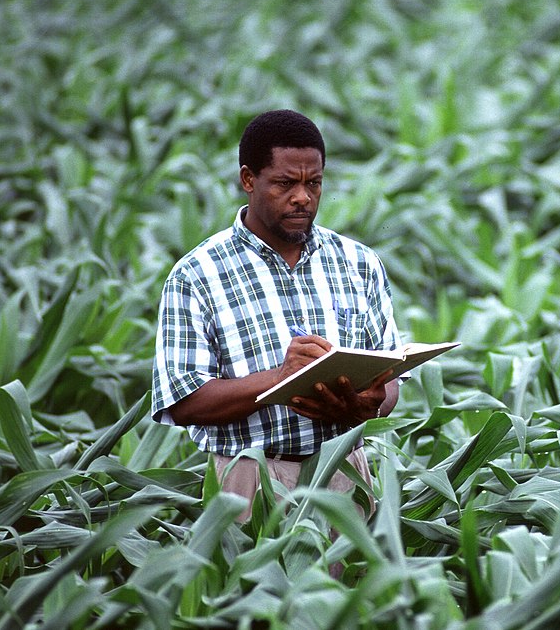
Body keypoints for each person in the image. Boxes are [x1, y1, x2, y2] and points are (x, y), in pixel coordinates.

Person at [150, 109, 401, 523]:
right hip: (248, 479)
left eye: (314, 183)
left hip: (344, 472)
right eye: (285, 183)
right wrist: (282, 378)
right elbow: (184, 400)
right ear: (249, 179)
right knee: (252, 586)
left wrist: (365, 403)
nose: (302, 197)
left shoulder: (358, 263)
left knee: (353, 588)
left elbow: (390, 381)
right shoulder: (197, 274)